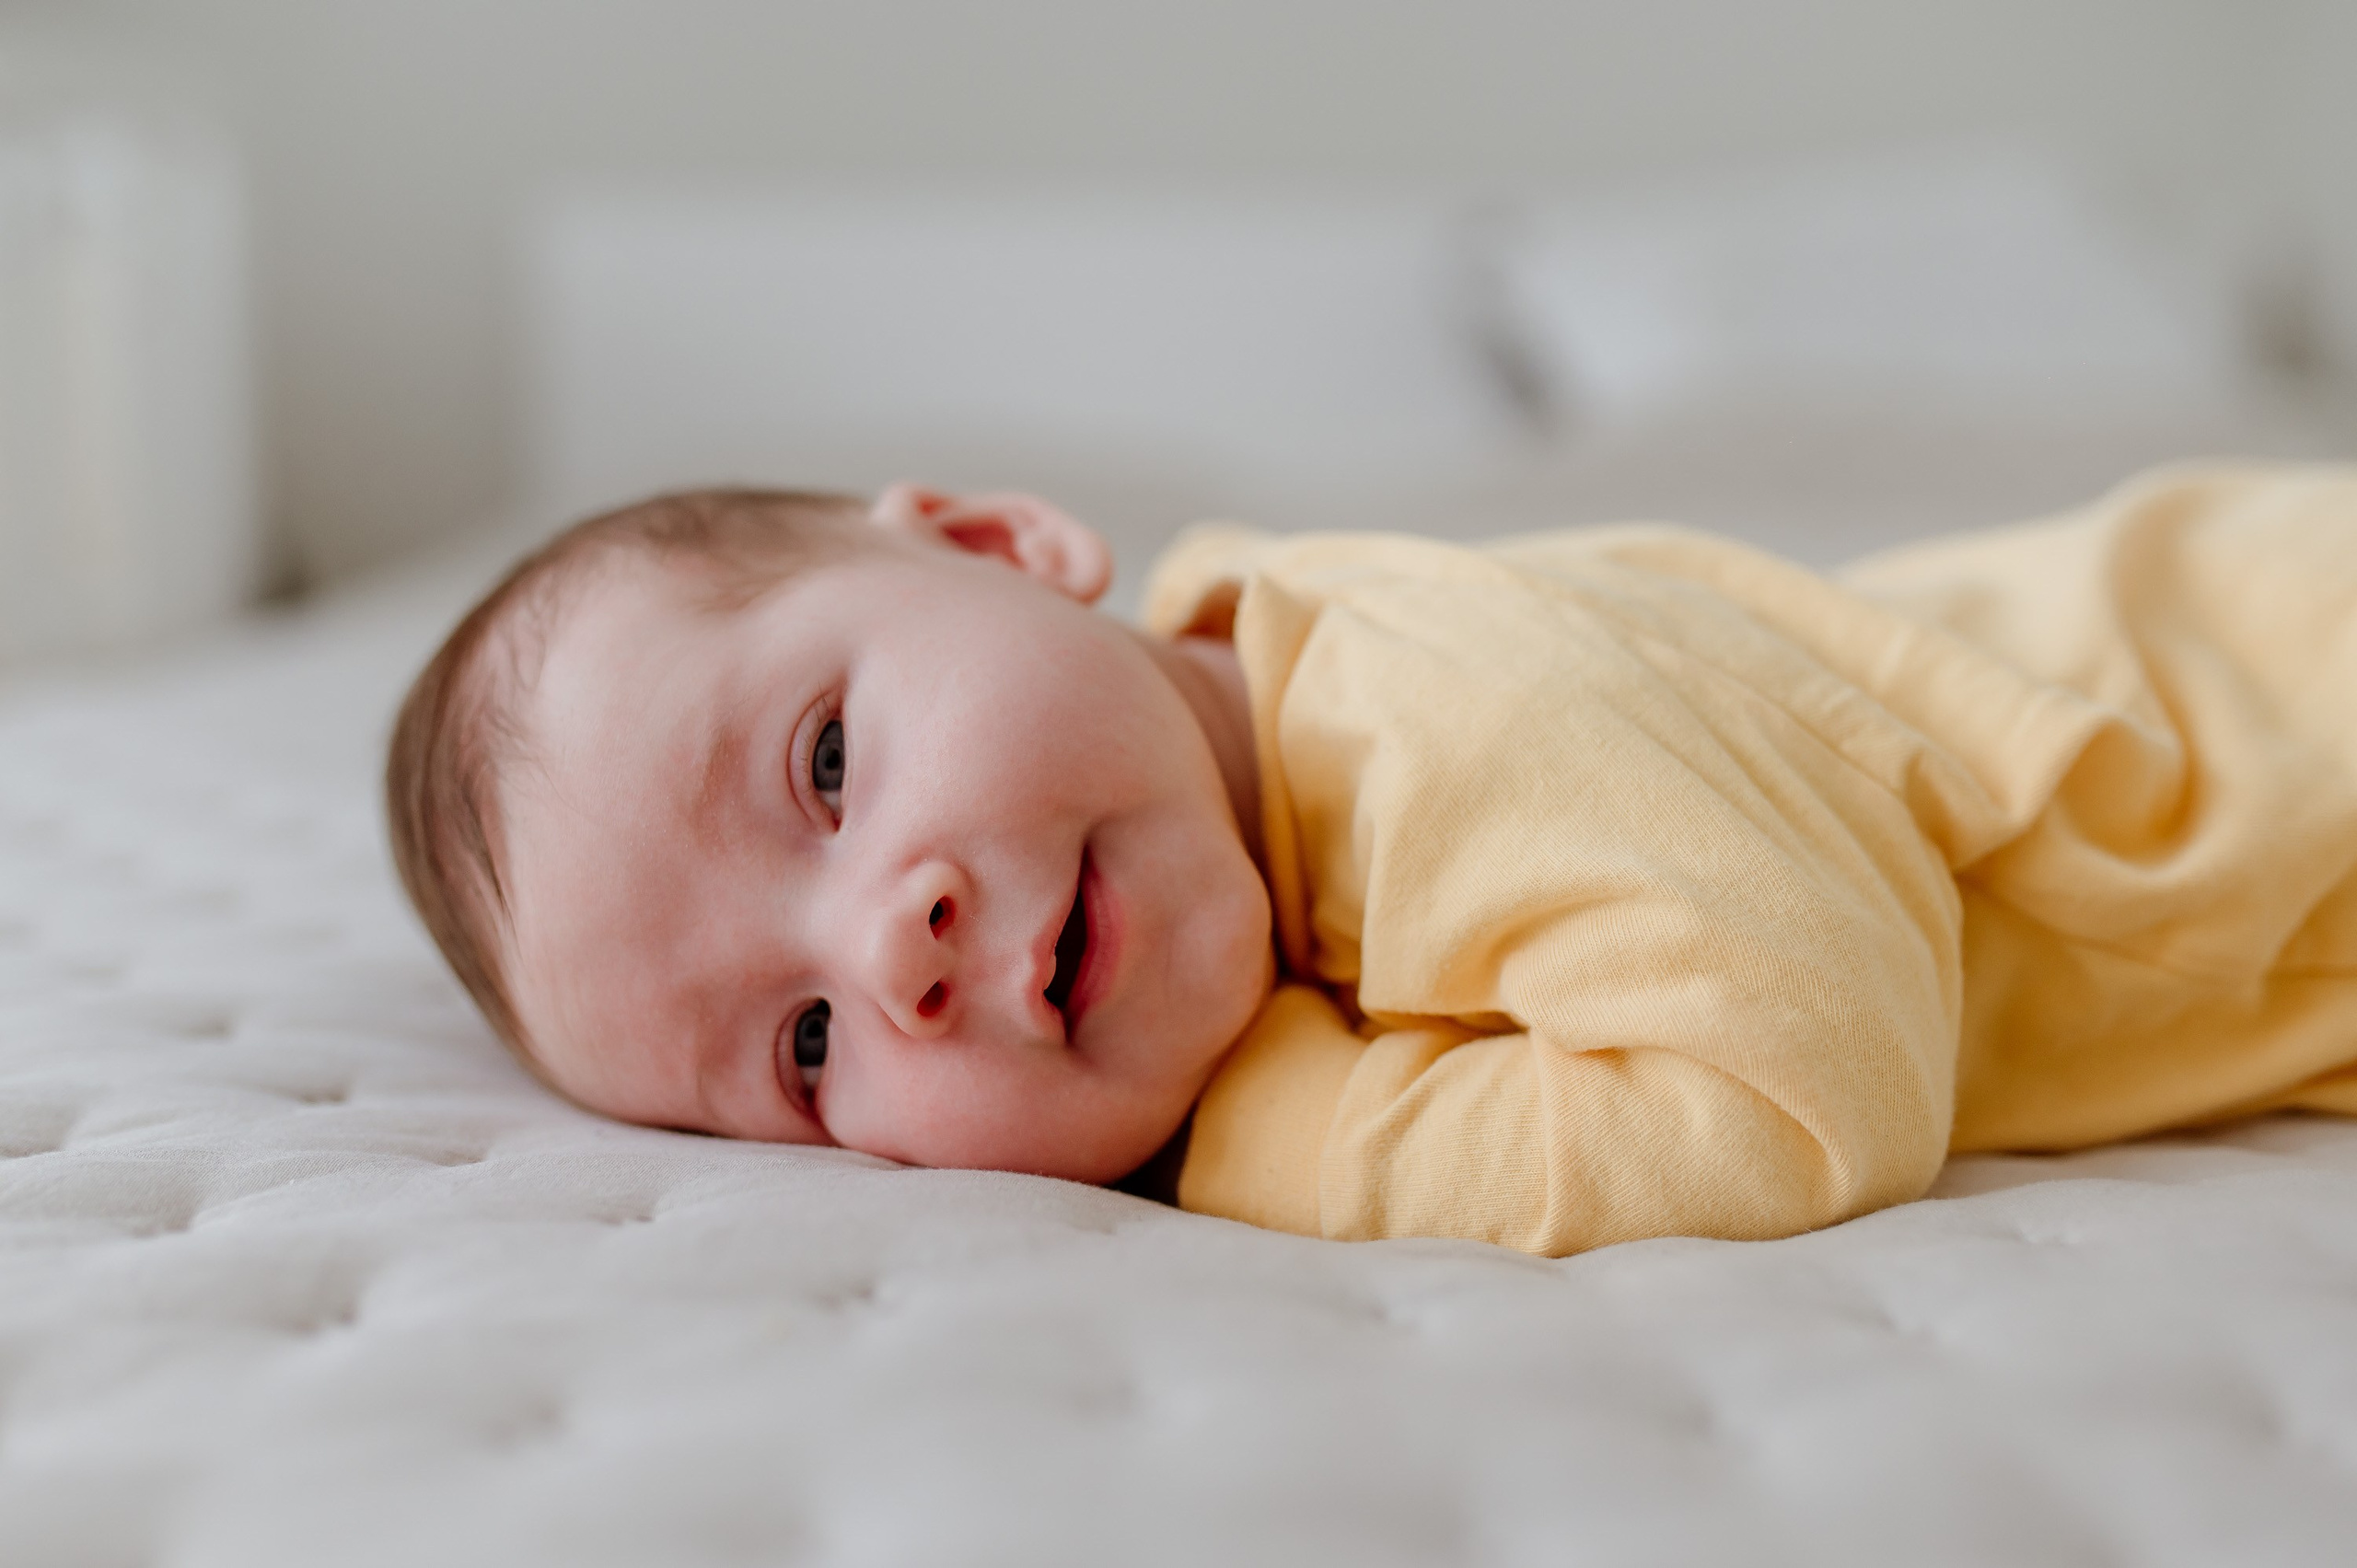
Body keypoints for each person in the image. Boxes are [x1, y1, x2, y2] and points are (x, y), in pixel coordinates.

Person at [386, 467, 2357, 1256]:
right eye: (807, 1055)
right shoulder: (1246, 806)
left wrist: (1241, 1128)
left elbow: (1797, 1088)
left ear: (997, 546)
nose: (885, 949)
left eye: (826, 765)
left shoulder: (1436, 714)